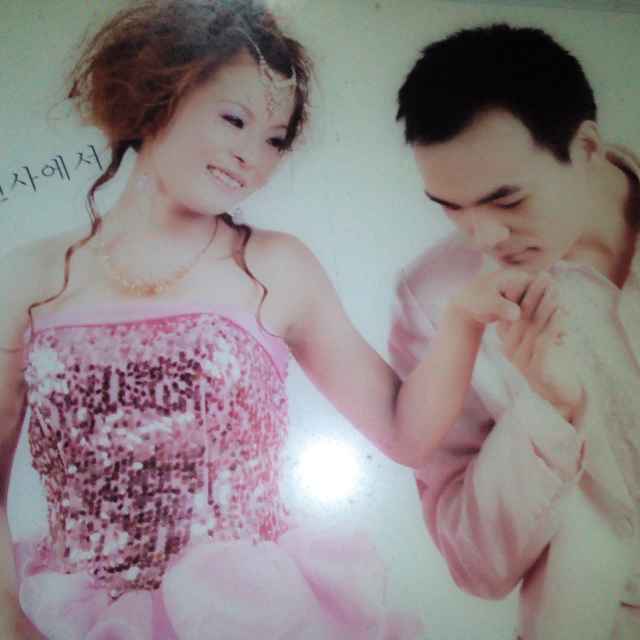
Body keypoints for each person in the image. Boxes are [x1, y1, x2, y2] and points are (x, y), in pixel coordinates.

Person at [0, 4, 545, 639]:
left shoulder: (276, 266)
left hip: (249, 617)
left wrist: (463, 321)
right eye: (234, 120)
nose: (250, 158)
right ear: (156, 95)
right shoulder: (29, 278)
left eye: (274, 141)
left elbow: (405, 434)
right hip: (76, 620)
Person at [391, 23, 640, 640]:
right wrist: (549, 411)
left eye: (507, 201)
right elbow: (475, 566)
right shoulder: (438, 301)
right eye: (450, 207)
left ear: (586, 148)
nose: (484, 238)